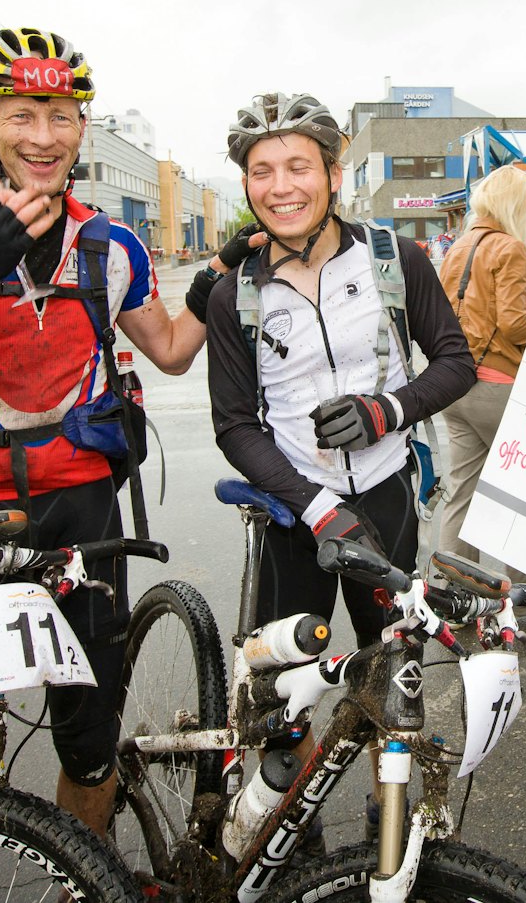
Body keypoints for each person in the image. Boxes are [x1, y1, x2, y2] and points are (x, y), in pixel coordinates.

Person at [0, 26, 250, 838]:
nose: (44, 135)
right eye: (24, 113)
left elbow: (170, 350)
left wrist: (216, 278)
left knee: (91, 742)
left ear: (83, 126)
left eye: (63, 115)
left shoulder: (110, 242)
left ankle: (84, 879)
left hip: (83, 510)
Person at [206, 92, 475, 648]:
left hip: (386, 495)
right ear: (248, 185)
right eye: (262, 172)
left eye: (298, 166)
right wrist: (318, 509)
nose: (281, 187)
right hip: (291, 506)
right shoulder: (234, 294)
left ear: (332, 173)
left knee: (392, 676)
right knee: (282, 691)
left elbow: (456, 362)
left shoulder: (398, 259)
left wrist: (387, 410)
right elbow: (234, 424)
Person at [437, 166, 526, 579]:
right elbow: (514, 325)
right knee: (525, 488)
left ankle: (454, 587)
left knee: (463, 488)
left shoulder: (457, 248)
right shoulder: (509, 248)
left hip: (455, 384)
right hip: (496, 385)